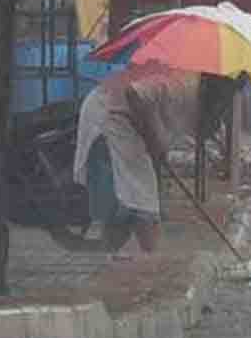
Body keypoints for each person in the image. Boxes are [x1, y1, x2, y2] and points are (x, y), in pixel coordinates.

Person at [73, 63, 199, 253]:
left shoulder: (186, 82)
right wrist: (152, 138)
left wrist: (155, 141)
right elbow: (134, 94)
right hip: (107, 114)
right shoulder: (181, 83)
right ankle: (149, 255)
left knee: (139, 196)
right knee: (139, 199)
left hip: (123, 119)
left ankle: (141, 253)